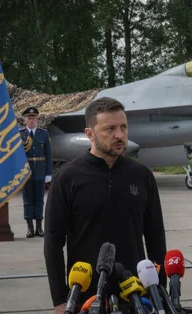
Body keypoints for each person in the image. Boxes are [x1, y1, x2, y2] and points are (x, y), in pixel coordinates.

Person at [44, 97, 167, 314]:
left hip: (136, 295)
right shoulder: (67, 177)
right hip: (85, 297)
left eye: (123, 127)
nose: (119, 135)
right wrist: (61, 299)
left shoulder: (142, 175)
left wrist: (159, 291)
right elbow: (53, 241)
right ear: (89, 133)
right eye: (110, 129)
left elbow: (155, 236)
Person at [20, 106, 53, 238]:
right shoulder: (20, 134)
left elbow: (48, 154)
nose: (32, 120)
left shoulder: (43, 133)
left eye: (34, 118)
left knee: (39, 200)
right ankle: (30, 228)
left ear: (37, 119)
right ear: (25, 120)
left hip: (40, 170)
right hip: (26, 172)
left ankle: (39, 228)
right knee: (27, 200)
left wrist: (48, 173)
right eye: (29, 118)